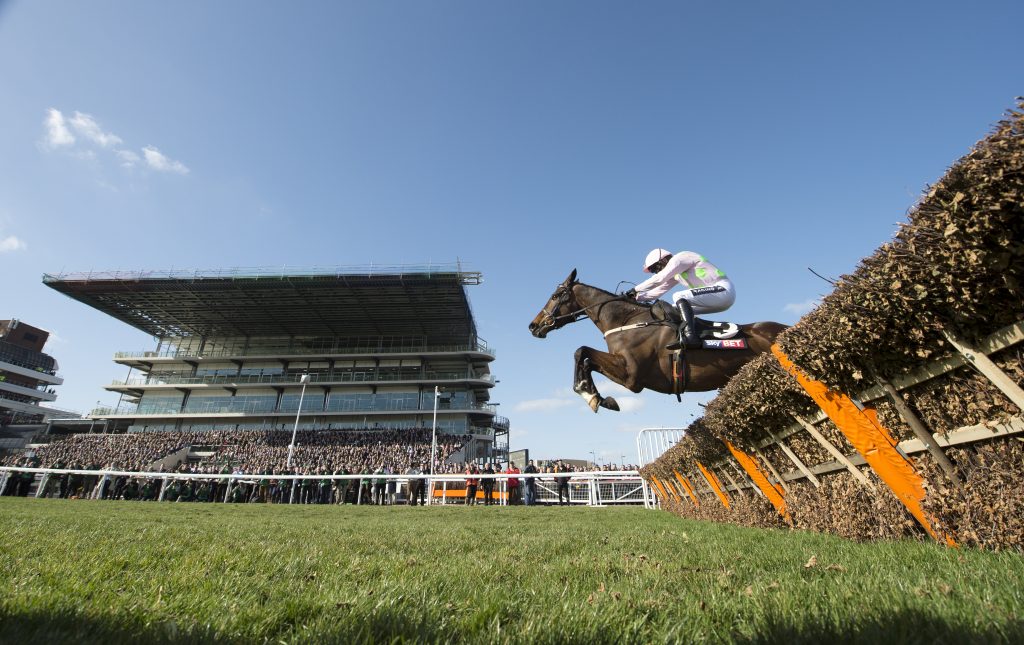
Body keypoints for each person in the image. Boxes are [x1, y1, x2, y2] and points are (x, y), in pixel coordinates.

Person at [626, 248, 736, 350]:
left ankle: (691, 337)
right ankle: (693, 333)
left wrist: (635, 289)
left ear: (664, 260)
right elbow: (658, 291)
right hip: (714, 300)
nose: (657, 271)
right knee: (672, 309)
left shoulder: (680, 258)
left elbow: (659, 279)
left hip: (723, 290)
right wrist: (636, 298)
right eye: (654, 271)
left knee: (679, 296)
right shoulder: (677, 273)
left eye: (656, 268)